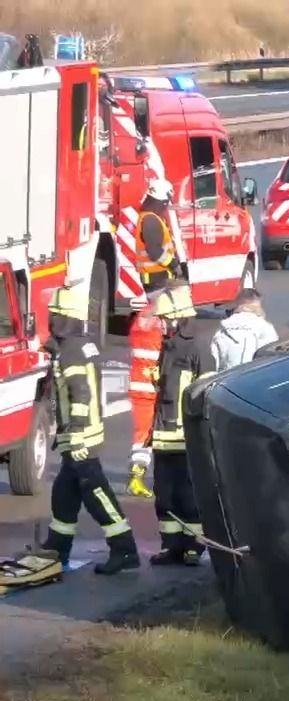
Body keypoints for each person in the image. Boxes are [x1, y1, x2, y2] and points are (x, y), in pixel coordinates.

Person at [39, 285, 140, 575]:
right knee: (64, 493)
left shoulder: (71, 350)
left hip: (81, 438)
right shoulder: (81, 344)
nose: (51, 320)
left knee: (96, 494)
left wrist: (77, 433)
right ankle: (58, 546)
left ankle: (124, 549)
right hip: (83, 435)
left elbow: (80, 393)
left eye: (54, 315)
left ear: (62, 317)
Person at [147, 281, 213, 566]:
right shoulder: (169, 347)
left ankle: (193, 546)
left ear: (178, 317)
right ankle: (171, 545)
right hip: (163, 437)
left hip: (186, 439)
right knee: (165, 495)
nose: (161, 324)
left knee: (189, 495)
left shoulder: (198, 348)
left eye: (165, 319)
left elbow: (205, 395)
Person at [126, 178, 180, 499]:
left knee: (143, 432)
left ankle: (139, 474)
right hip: (152, 386)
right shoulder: (150, 220)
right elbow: (158, 253)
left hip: (142, 385)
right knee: (154, 432)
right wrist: (174, 265)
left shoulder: (141, 323)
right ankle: (143, 476)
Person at [211, 289, 279, 372]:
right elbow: (273, 361)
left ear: (237, 305)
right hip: (255, 376)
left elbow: (215, 362)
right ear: (258, 306)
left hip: (227, 378)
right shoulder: (265, 329)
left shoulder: (222, 330)